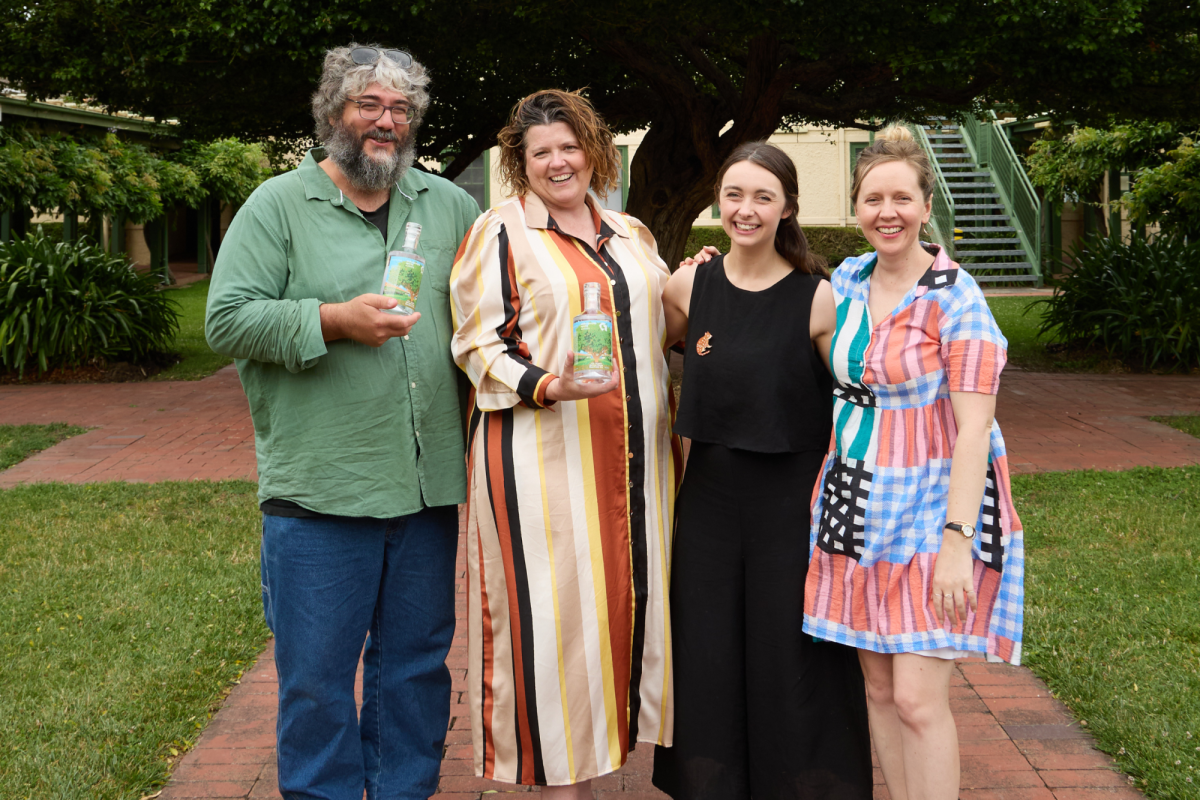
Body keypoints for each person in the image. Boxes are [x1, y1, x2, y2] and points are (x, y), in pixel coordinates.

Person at [205, 44, 480, 800]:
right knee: (318, 678)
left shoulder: (451, 207)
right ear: (333, 114)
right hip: (322, 488)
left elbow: (501, 313)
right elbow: (226, 321)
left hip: (425, 490)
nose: (386, 122)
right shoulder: (278, 206)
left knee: (417, 669)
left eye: (400, 109)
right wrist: (331, 321)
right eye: (369, 106)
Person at [449, 89, 680, 798]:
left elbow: (664, 326)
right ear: (520, 164)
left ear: (594, 149)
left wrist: (707, 280)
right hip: (542, 470)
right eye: (540, 152)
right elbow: (476, 345)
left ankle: (607, 766)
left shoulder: (631, 233)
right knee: (555, 636)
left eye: (568, 146)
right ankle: (563, 786)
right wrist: (550, 383)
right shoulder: (500, 233)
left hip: (640, 470)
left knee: (627, 617)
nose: (558, 162)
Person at [803, 124, 1026, 800]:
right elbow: (819, 354)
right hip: (856, 500)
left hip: (937, 508)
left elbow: (974, 430)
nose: (887, 212)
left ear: (927, 206)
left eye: (902, 197)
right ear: (856, 208)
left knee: (918, 701)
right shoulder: (844, 280)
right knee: (877, 689)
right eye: (873, 199)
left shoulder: (956, 297)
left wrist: (956, 543)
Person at [650, 142, 873, 800]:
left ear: (788, 207)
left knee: (792, 662)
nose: (746, 209)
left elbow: (866, 400)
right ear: (719, 201)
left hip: (791, 508)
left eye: (763, 197)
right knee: (709, 656)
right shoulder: (688, 285)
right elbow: (634, 361)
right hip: (710, 507)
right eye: (735, 195)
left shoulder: (820, 298)